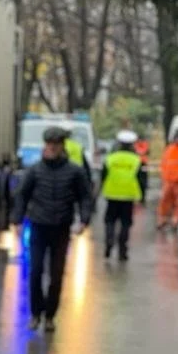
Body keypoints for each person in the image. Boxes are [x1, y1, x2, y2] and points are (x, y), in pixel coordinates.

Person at [11, 125, 92, 333]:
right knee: (36, 271)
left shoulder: (74, 172)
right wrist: (17, 221)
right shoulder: (35, 171)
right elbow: (21, 195)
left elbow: (85, 196)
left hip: (61, 228)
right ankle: (35, 314)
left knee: (56, 275)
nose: (51, 148)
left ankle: (50, 316)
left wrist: (84, 220)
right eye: (48, 144)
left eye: (55, 144)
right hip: (38, 226)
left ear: (62, 146)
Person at [100, 130, 144, 261]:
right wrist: (141, 198)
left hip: (111, 194)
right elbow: (141, 179)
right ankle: (122, 251)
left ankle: (109, 241)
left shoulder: (110, 158)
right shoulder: (136, 160)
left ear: (118, 144)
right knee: (125, 223)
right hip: (128, 196)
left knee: (109, 220)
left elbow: (103, 176)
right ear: (132, 145)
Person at [134, 134, 150, 206]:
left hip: (143, 164)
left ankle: (142, 198)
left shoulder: (144, 144)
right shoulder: (136, 145)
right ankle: (138, 197)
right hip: (136, 164)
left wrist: (139, 152)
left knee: (143, 182)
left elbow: (145, 151)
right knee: (136, 181)